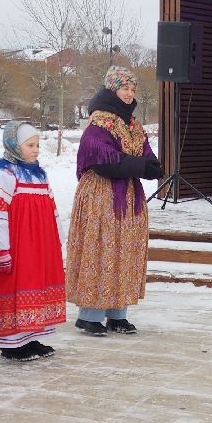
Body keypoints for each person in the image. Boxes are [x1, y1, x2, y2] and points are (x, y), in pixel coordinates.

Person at [66, 65, 162, 336]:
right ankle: (90, 315)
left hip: (128, 196)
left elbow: (145, 152)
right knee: (101, 249)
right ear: (112, 90)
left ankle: (118, 313)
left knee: (125, 250)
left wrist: (152, 165)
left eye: (132, 89)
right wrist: (140, 167)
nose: (130, 94)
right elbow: (101, 158)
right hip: (102, 194)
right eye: (125, 88)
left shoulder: (133, 124)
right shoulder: (99, 122)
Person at [0, 122, 65, 360]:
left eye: (37, 145)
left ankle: (30, 336)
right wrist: (0, 250)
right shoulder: (2, 175)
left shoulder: (39, 174)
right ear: (13, 146)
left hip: (39, 246)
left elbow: (52, 208)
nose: (36, 150)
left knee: (35, 287)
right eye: (30, 145)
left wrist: (57, 240)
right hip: (16, 246)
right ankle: (11, 343)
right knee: (14, 288)